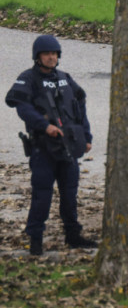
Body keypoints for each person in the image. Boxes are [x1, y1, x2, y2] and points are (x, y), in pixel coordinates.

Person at [5, 34, 98, 255]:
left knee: (70, 194)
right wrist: (44, 125)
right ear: (37, 57)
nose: (51, 57)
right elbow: (20, 105)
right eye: (46, 54)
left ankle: (73, 236)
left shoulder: (65, 78)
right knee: (42, 195)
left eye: (54, 53)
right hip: (43, 148)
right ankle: (36, 240)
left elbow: (80, 105)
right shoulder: (28, 79)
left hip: (68, 147)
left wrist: (86, 136)